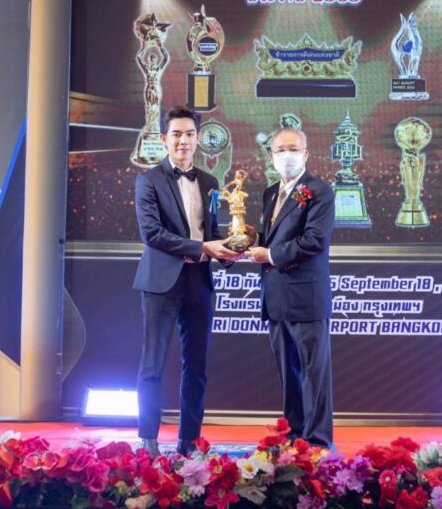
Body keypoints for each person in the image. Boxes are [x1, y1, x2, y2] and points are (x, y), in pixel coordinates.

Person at [132, 106, 237, 457]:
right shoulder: (148, 180)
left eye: (189, 134)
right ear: (164, 139)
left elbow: (214, 231)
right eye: (176, 134)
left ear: (198, 139)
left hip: (199, 280)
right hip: (161, 283)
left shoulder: (210, 182)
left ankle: (189, 442)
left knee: (197, 366)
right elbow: (152, 234)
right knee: (153, 365)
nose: (183, 141)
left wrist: (231, 249)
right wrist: (203, 248)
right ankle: (148, 441)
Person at [246, 127, 335, 447]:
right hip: (276, 297)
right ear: (271, 156)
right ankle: (294, 437)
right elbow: (273, 236)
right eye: (280, 150)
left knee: (314, 375)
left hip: (306, 297)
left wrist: (269, 254)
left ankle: (318, 442)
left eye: (293, 149)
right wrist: (246, 240)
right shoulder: (271, 192)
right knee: (289, 375)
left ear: (305, 154)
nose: (287, 155)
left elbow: (315, 240)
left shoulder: (319, 191)